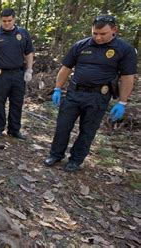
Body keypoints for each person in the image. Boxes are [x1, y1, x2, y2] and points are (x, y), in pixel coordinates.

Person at [43, 15, 137, 172]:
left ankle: (75, 160)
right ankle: (56, 154)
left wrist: (122, 102)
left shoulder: (125, 50)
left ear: (114, 30)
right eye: (95, 33)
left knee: (87, 130)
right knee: (62, 126)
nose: (98, 37)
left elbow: (127, 78)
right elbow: (66, 68)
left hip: (98, 97)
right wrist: (58, 88)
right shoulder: (81, 45)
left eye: (103, 34)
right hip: (74, 93)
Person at [0, 8, 34, 140]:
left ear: (14, 19)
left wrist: (29, 69)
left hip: (18, 74)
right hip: (0, 74)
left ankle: (14, 130)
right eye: (4, 21)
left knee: (17, 102)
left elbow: (29, 53)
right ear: (1, 20)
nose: (7, 23)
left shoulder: (23, 34)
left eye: (9, 20)